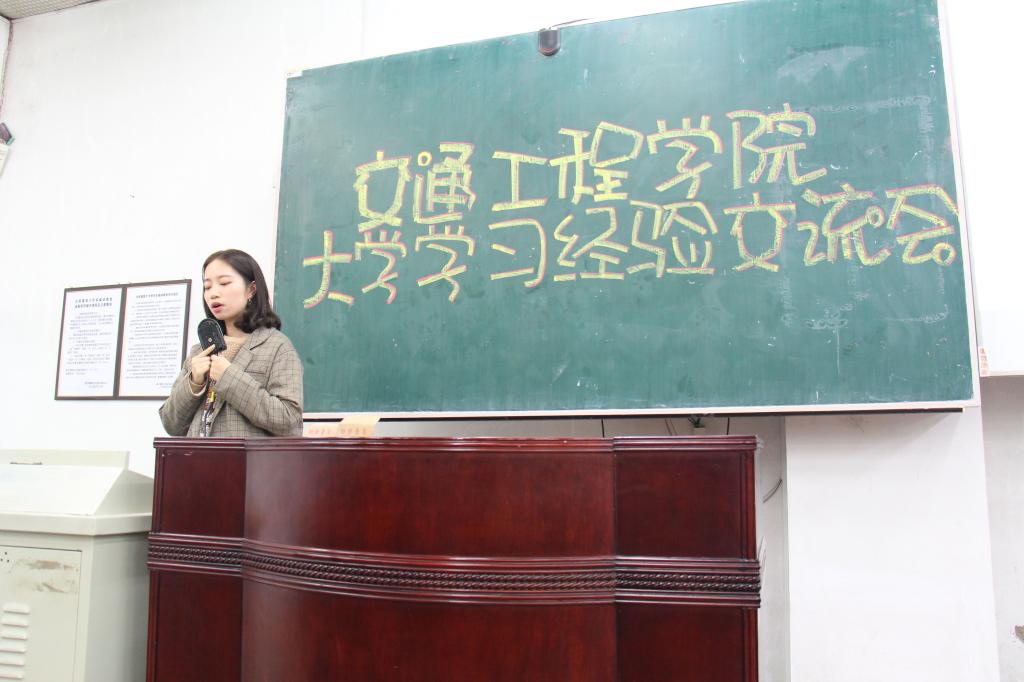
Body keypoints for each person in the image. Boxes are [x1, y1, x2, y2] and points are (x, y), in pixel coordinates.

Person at [160, 249, 303, 437]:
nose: (213, 294)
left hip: (248, 457)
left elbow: (289, 421)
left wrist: (228, 376)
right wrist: (194, 383)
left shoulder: (277, 346)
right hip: (196, 456)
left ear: (251, 289)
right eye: (207, 287)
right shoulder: (199, 351)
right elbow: (171, 425)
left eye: (224, 283)